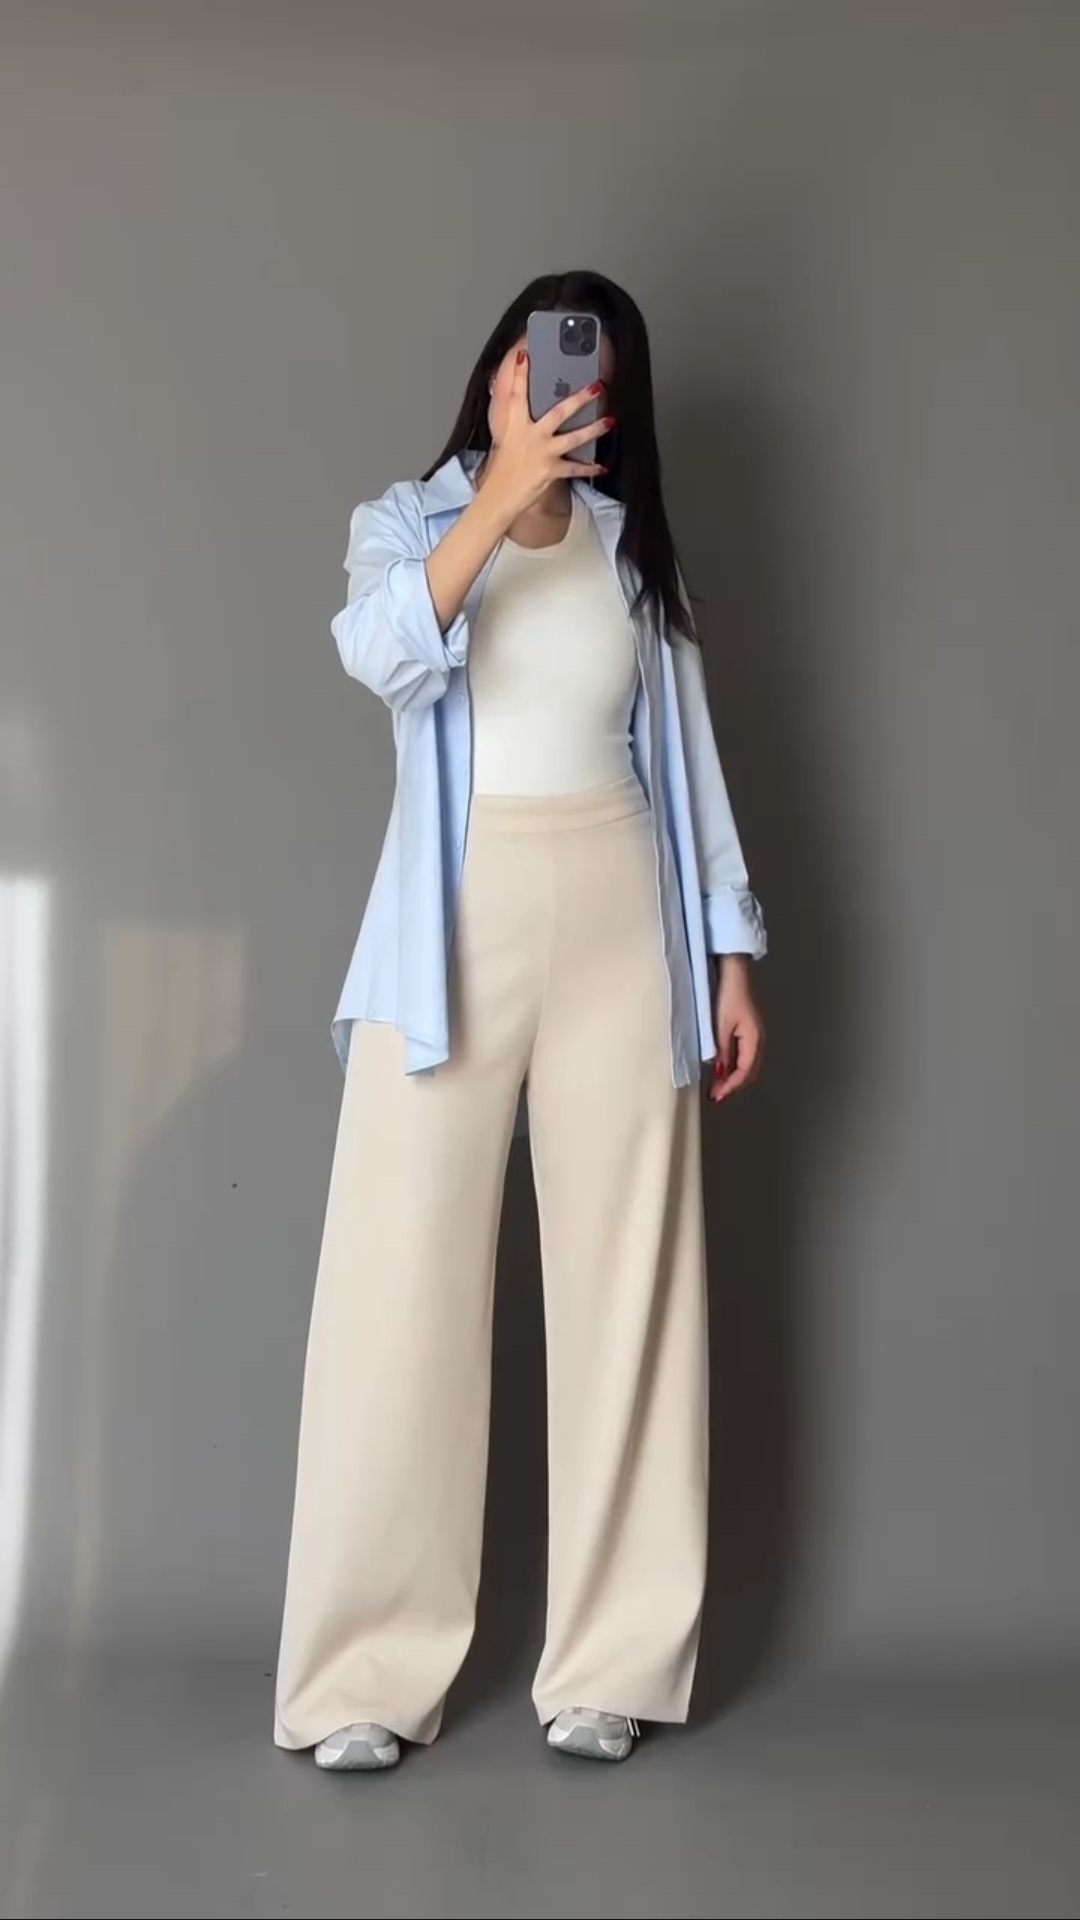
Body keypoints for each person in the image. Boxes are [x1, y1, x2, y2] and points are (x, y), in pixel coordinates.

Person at [274, 270, 767, 1772]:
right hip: (451, 933)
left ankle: (610, 1663)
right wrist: (496, 497)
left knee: (630, 1290)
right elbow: (381, 654)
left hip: (623, 917)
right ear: (494, 376)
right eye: (529, 361)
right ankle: (364, 1676)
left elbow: (686, 753)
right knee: (396, 1296)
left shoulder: (632, 550)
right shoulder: (406, 524)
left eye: (582, 374)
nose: (548, 388)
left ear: (611, 406)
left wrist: (728, 951)